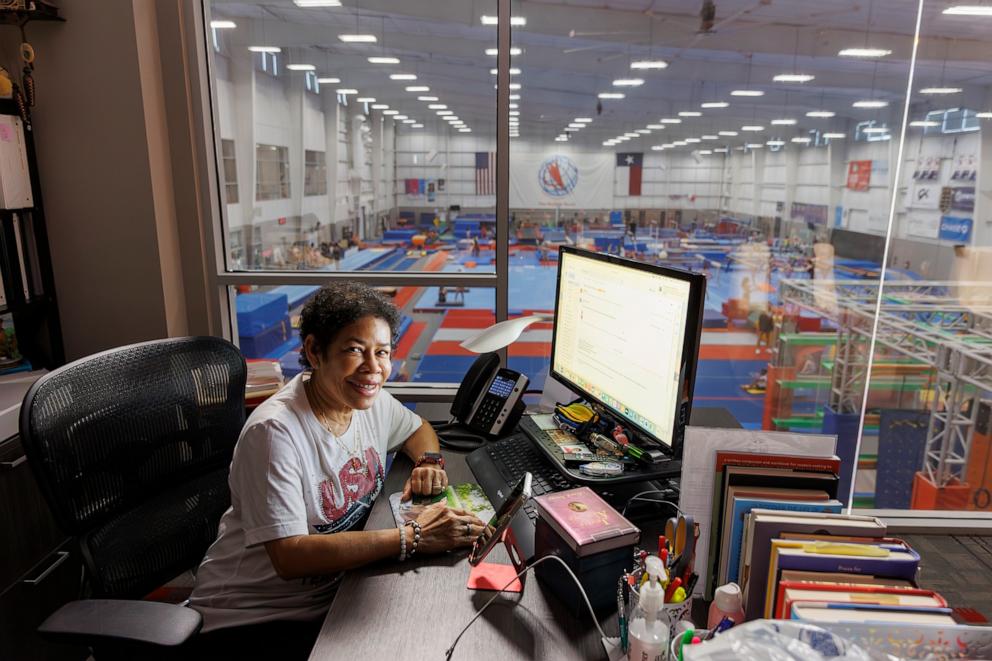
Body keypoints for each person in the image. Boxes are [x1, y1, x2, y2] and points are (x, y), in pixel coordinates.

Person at [189, 283, 485, 659]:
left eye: (382, 353)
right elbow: (290, 556)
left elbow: (417, 428)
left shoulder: (365, 400)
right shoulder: (275, 432)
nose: (373, 368)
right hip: (250, 618)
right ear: (315, 351)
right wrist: (414, 537)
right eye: (354, 350)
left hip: (333, 595)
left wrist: (428, 461)